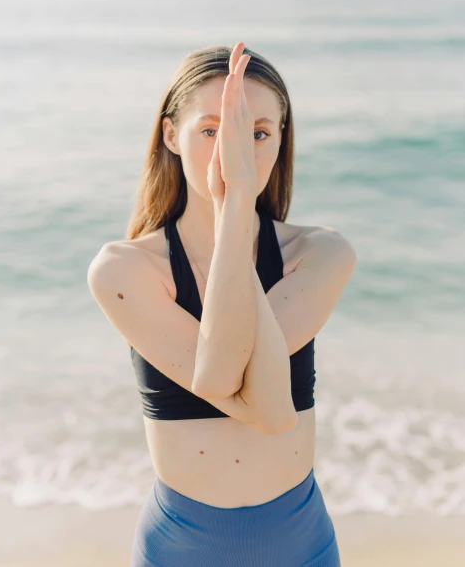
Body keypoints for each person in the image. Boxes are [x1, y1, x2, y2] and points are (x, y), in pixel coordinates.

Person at [87, 42, 357, 566]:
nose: (232, 154)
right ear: (171, 134)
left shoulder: (321, 253)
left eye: (256, 133)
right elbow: (221, 382)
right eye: (212, 131)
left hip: (301, 545)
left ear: (282, 140)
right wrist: (235, 207)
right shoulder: (124, 270)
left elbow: (273, 409)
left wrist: (234, 213)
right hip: (183, 549)